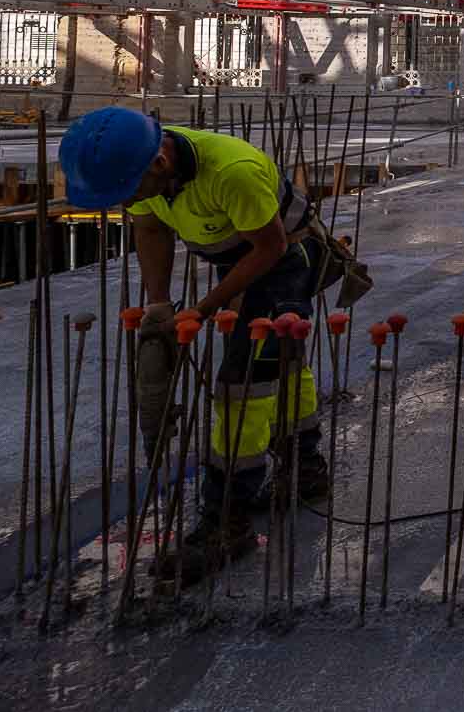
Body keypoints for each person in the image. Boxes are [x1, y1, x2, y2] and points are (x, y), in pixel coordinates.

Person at [59, 106, 331, 582]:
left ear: (160, 165)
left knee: (243, 382)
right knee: (279, 366)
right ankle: (306, 467)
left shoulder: (231, 170)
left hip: (286, 256)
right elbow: (150, 228)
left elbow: (269, 249)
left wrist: (203, 309)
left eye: (131, 192)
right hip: (237, 258)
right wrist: (160, 303)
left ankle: (227, 519)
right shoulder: (140, 165)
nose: (129, 201)